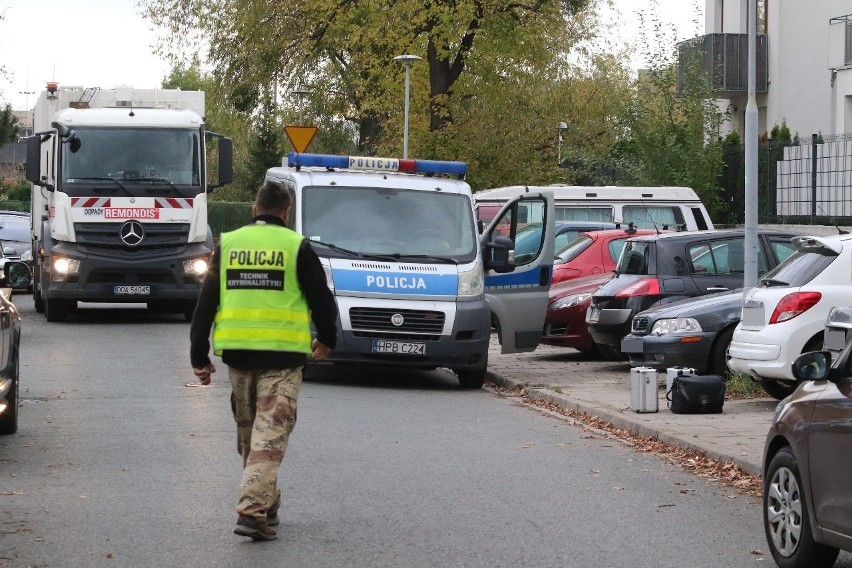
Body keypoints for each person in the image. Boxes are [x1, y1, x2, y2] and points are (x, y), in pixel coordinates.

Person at [190, 179, 338, 541]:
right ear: (286, 213)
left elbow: (206, 302)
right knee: (267, 438)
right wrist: (328, 338)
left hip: (238, 359)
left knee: (251, 437)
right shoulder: (296, 247)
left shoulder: (229, 245)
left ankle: (264, 505)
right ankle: (253, 512)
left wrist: (199, 354)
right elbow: (322, 300)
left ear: (254, 209)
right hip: (283, 360)